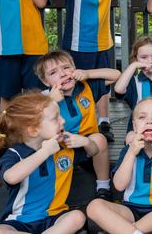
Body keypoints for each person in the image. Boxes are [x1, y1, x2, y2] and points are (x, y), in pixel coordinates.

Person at [44, 0, 139, 142]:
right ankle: (77, 122)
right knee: (74, 85)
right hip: (75, 45)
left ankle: (103, 122)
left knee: (101, 85)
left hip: (103, 43)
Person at [0, 93, 98, 234]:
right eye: (55, 118)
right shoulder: (14, 154)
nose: (63, 120)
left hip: (55, 218)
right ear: (33, 130)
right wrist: (44, 152)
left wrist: (86, 141)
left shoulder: (65, 147)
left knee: (77, 217)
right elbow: (11, 177)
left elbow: (93, 151)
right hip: (19, 221)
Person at [87, 98, 152, 234]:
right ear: (134, 127)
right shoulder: (129, 150)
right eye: (142, 117)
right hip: (130, 210)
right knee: (94, 206)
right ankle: (137, 231)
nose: (149, 121)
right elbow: (119, 185)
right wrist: (132, 152)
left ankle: (125, 230)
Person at [35, 50, 120, 200]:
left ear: (74, 68)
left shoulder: (86, 87)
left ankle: (103, 187)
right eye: (53, 72)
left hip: (87, 147)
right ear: (45, 81)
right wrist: (52, 101)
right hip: (60, 147)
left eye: (66, 68)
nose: (62, 74)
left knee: (100, 139)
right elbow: (34, 124)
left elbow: (116, 75)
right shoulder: (43, 98)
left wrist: (87, 73)